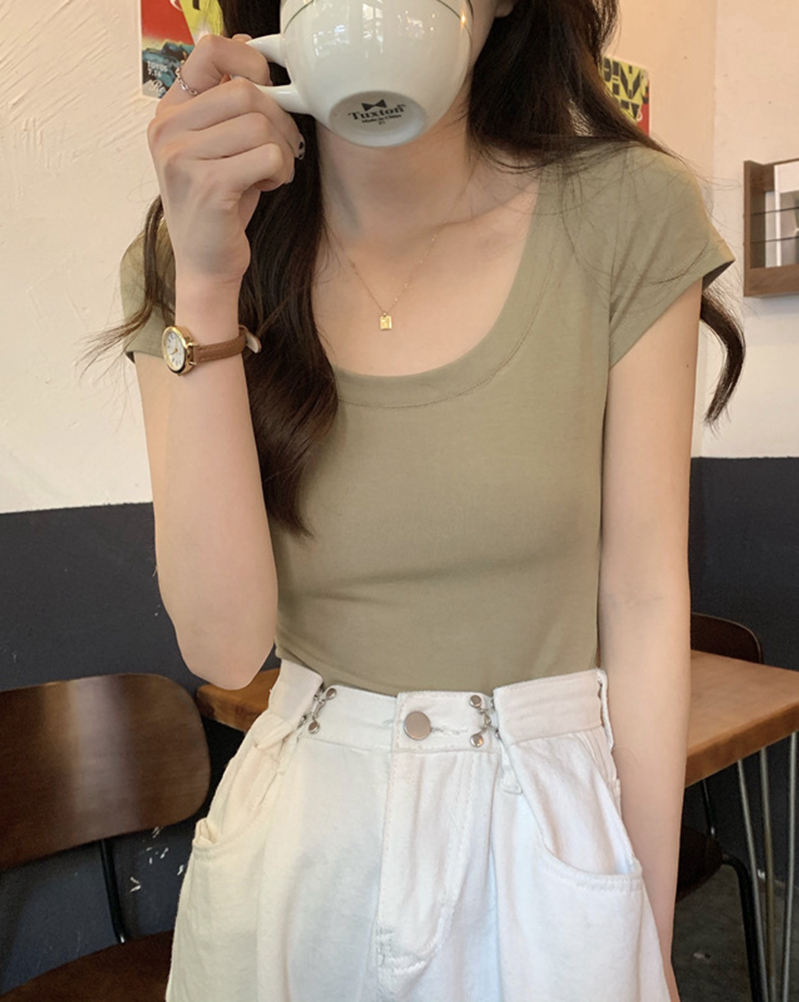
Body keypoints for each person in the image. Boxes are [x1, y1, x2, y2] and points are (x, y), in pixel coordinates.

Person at [94, 0, 744, 997]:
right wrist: (209, 281)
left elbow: (645, 597)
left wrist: (640, 929)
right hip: (303, 838)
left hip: (548, 824)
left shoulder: (628, 210)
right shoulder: (192, 251)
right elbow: (223, 649)